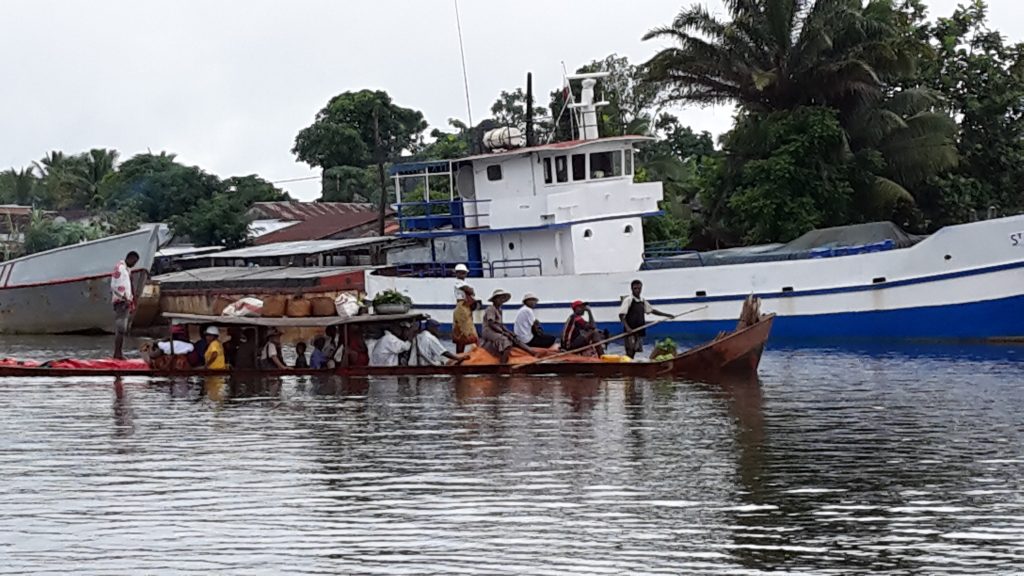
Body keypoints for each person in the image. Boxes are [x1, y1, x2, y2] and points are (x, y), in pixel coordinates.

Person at [619, 279, 673, 358]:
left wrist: (667, 315)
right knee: (629, 351)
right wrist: (628, 328)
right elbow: (621, 315)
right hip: (630, 331)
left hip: (639, 330)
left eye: (639, 288)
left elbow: (652, 310)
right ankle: (628, 367)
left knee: (635, 350)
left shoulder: (642, 301)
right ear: (631, 289)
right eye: (635, 288)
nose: (637, 290)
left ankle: (632, 366)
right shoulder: (628, 300)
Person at [481, 289, 537, 364]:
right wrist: (504, 333)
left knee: (514, 337)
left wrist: (509, 332)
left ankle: (531, 351)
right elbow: (491, 324)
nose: (501, 300)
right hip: (489, 330)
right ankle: (502, 363)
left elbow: (501, 325)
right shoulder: (490, 309)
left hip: (497, 329)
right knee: (506, 341)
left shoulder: (500, 310)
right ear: (494, 300)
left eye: (502, 298)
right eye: (499, 298)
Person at [111, 250, 140, 359]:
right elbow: (116, 286)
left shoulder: (126, 269)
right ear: (130, 258)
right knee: (121, 328)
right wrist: (125, 298)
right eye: (134, 262)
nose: (134, 264)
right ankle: (117, 354)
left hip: (125, 301)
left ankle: (118, 353)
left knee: (122, 329)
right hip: (121, 301)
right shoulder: (121, 269)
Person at [452, 285, 479, 353]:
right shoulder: (460, 308)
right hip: (462, 333)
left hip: (468, 332)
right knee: (460, 348)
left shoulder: (468, 307)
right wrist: (469, 334)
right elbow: (462, 324)